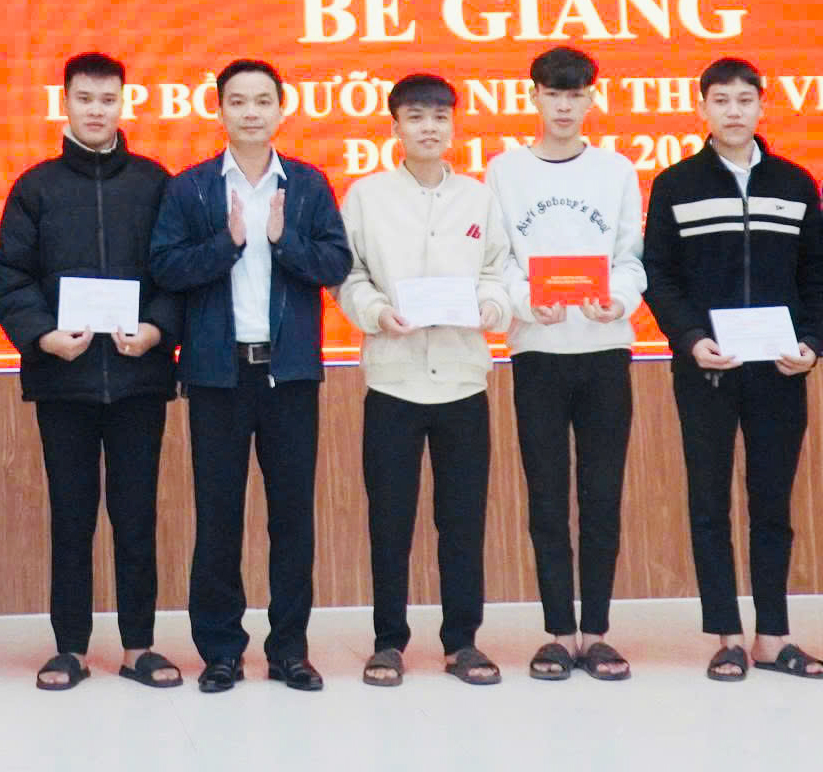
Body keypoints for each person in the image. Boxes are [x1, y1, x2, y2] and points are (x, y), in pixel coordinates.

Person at [150, 58, 351, 694]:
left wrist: (284, 240)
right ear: (219, 110)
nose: (251, 112)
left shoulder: (309, 185)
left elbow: (335, 264)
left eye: (263, 100)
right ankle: (220, 651)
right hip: (218, 376)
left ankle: (289, 649)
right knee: (218, 518)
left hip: (289, 376)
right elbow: (165, 267)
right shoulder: (191, 188)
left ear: (281, 109)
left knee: (292, 518)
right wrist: (228, 244)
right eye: (238, 101)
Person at [642, 58, 823, 682]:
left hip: (780, 369)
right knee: (709, 502)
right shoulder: (676, 184)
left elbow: (817, 275)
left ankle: (772, 636)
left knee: (772, 503)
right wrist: (691, 339)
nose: (733, 111)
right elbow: (659, 276)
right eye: (721, 100)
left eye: (745, 100)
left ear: (761, 106)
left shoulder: (795, 182)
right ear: (702, 108)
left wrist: (812, 342)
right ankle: (726, 634)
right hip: (707, 368)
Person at [0, 51, 184, 692]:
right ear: (66, 102)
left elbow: (175, 273)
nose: (96, 110)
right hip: (64, 380)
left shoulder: (155, 183)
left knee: (136, 517)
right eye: (85, 98)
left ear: (122, 103)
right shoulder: (36, 187)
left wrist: (156, 329)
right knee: (70, 517)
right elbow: (12, 276)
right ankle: (70, 648)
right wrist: (43, 336)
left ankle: (138, 646)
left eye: (107, 99)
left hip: (139, 379)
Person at [333, 72, 515, 689]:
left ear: (453, 125)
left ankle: (462, 641)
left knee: (462, 520)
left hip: (463, 381)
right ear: (395, 127)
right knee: (390, 521)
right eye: (415, 117)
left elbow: (497, 271)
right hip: (394, 380)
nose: (429, 127)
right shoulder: (366, 196)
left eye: (439, 116)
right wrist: (375, 312)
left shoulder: (478, 198)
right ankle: (388, 642)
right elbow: (348, 275)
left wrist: (492, 306)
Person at [486, 45, 645, 683]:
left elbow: (631, 258)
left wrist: (618, 301)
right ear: (534, 97)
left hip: (605, 349)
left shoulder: (616, 170)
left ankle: (597, 632)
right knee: (547, 498)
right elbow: (498, 261)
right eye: (553, 94)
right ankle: (558, 632)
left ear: (591, 99)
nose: (564, 106)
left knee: (602, 496)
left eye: (575, 94)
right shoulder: (503, 171)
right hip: (537, 351)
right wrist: (528, 303)